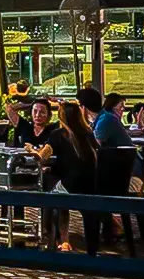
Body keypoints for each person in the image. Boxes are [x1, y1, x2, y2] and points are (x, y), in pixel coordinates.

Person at [30, 101, 99, 252]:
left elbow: (41, 157)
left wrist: (30, 149)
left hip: (71, 186)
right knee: (56, 185)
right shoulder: (88, 134)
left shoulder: (58, 134)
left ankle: (53, 238)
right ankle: (67, 240)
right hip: (91, 186)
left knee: (48, 186)